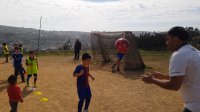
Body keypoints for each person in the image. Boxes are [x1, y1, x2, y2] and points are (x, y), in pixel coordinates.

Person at [141, 26, 200, 112]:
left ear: (175, 39)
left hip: (195, 106)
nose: (166, 42)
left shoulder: (179, 54)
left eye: (167, 39)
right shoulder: (195, 52)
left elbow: (174, 85)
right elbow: (190, 75)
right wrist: (164, 76)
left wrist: (152, 80)